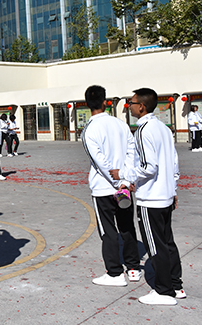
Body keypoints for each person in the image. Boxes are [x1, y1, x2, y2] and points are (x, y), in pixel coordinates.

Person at [111, 88, 184, 306]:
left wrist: (123, 175)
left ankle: (163, 291)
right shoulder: (163, 128)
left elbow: (148, 167)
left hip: (151, 199)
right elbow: (174, 163)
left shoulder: (143, 130)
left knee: (155, 246)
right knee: (167, 242)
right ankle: (176, 285)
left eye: (131, 103)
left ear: (141, 106)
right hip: (165, 195)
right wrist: (173, 189)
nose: (129, 107)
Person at [81, 85, 141, 288]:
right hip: (123, 187)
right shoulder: (121, 124)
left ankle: (115, 272)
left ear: (87, 104)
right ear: (106, 102)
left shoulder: (89, 130)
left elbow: (99, 162)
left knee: (108, 231)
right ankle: (133, 268)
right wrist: (125, 181)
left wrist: (116, 182)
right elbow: (132, 152)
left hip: (103, 189)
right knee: (127, 226)